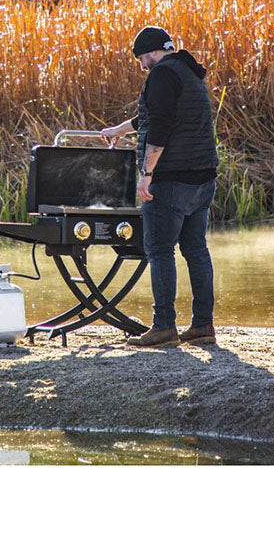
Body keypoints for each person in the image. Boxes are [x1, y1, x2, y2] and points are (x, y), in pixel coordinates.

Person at [100, 26, 219, 347]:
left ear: (153, 51)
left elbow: (162, 125)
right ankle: (203, 325)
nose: (141, 65)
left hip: (171, 180)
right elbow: (154, 115)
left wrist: (147, 173)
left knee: (160, 250)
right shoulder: (189, 73)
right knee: (196, 249)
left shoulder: (162, 75)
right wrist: (120, 129)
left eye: (141, 57)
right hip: (203, 177)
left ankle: (164, 326)